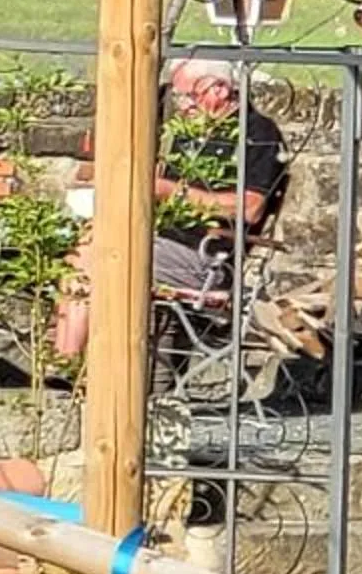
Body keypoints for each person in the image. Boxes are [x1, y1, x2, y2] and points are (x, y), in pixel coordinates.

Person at [53, 57, 286, 359]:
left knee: (94, 254)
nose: (183, 106)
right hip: (163, 241)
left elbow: (250, 208)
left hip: (206, 257)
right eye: (179, 97)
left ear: (219, 89)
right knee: (84, 245)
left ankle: (70, 364)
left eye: (188, 96)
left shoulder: (257, 134)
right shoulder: (191, 132)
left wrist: (172, 192)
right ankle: (67, 363)